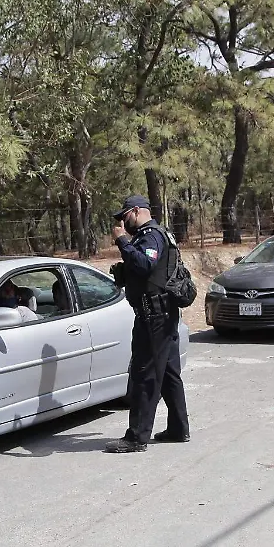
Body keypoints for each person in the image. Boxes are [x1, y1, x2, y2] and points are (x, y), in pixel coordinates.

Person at [104, 194, 190, 454]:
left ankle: (136, 437)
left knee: (145, 375)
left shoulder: (151, 235)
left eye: (124, 216)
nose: (122, 222)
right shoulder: (151, 235)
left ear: (137, 211)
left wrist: (122, 241)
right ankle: (178, 428)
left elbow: (144, 264)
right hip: (161, 314)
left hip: (155, 316)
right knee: (169, 375)